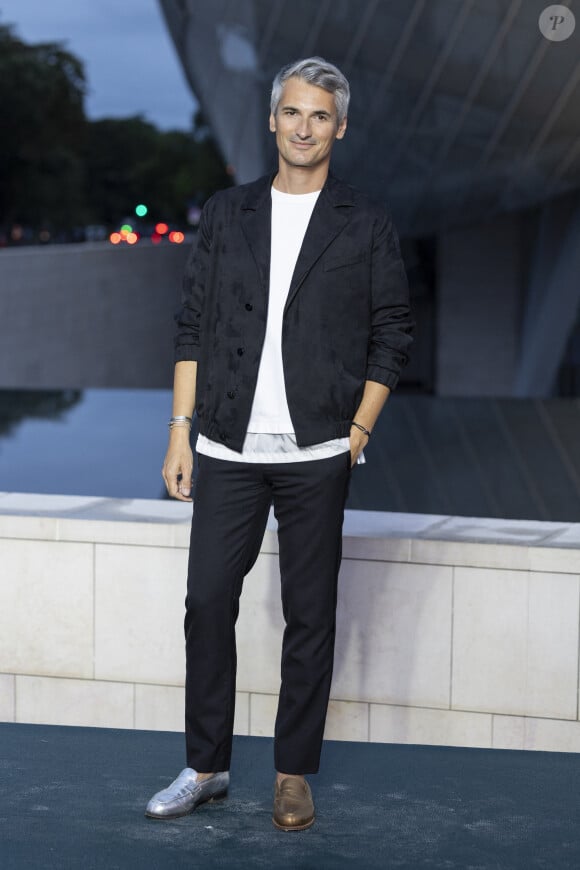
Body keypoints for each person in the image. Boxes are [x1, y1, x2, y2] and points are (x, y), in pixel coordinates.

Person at [145, 56, 413, 831]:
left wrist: (356, 433)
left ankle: (293, 773)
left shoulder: (363, 223)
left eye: (319, 115)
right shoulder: (228, 214)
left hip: (317, 451)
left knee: (310, 615)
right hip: (226, 447)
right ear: (271, 120)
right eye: (292, 112)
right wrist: (180, 434)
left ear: (340, 127)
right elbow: (191, 324)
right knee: (205, 603)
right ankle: (206, 766)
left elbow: (392, 335)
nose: (304, 127)